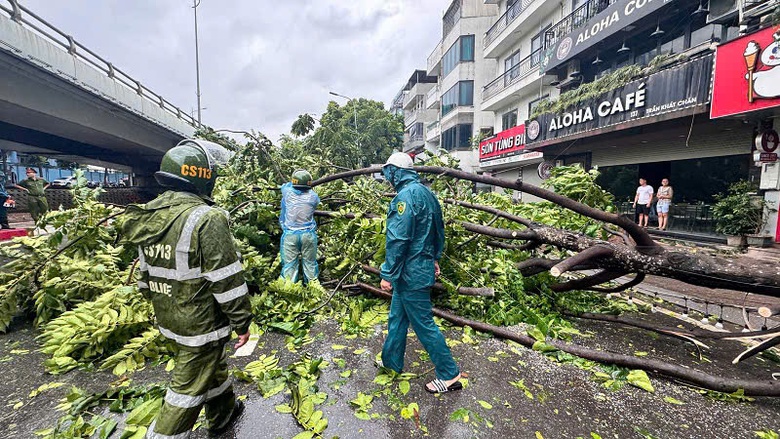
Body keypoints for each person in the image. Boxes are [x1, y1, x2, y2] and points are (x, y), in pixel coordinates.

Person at [121, 139, 252, 438]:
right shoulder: (207, 217)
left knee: (211, 365)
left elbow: (145, 275)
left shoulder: (149, 214)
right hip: (200, 323)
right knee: (186, 391)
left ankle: (224, 413)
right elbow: (226, 279)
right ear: (202, 176)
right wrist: (242, 322)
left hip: (169, 315)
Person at [379, 152, 462, 394]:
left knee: (424, 324)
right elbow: (438, 230)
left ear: (396, 172)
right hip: (419, 267)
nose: (388, 178)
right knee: (397, 318)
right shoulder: (428, 194)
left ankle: (449, 373)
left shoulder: (405, 197)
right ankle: (391, 362)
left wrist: (388, 273)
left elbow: (398, 239)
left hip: (410, 273)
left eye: (389, 173)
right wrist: (435, 258)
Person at [279, 169, 321, 283]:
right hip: (308, 235)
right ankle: (313, 287)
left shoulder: (287, 193)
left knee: (289, 265)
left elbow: (285, 186)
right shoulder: (313, 197)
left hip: (290, 235)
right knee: (310, 263)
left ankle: (289, 288)